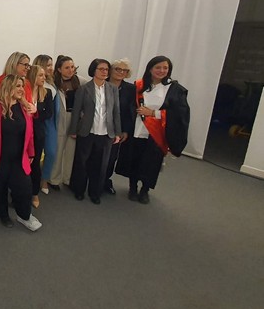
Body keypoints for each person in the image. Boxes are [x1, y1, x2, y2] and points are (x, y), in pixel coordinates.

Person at [116, 56, 190, 204]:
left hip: (156, 133)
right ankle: (132, 187)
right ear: (150, 69)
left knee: (151, 163)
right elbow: (129, 106)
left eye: (165, 68)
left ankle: (145, 190)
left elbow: (180, 113)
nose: (161, 71)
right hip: (137, 130)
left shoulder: (175, 89)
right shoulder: (139, 85)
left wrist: (153, 113)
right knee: (134, 159)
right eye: (158, 67)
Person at [0, 75, 41, 231]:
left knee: (24, 187)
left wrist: (31, 152)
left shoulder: (25, 108)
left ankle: (24, 215)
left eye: (22, 86)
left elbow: (30, 133)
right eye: (17, 86)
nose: (21, 89)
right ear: (8, 87)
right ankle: (3, 215)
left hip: (18, 158)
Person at [68, 59, 122, 204]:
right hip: (87, 131)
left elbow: (116, 111)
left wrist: (118, 132)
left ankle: (95, 192)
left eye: (107, 69)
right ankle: (79, 190)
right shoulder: (84, 89)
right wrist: (73, 130)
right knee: (82, 163)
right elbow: (76, 111)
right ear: (94, 71)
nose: (105, 72)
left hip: (106, 133)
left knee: (101, 165)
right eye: (101, 69)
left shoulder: (112, 89)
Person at [49, 55, 83, 189]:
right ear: (59, 69)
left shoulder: (80, 81)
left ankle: (67, 179)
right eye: (67, 67)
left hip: (75, 118)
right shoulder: (54, 83)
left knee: (71, 150)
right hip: (60, 118)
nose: (70, 70)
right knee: (58, 150)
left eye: (72, 67)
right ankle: (54, 179)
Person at [104, 59, 136, 195]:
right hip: (98, 126)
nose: (121, 72)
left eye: (125, 70)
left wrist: (125, 130)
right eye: (118, 69)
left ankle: (105, 180)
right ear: (111, 70)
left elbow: (130, 112)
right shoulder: (100, 83)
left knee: (111, 157)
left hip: (117, 129)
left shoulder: (131, 89)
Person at [28, 64, 54, 208]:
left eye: (44, 75)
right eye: (40, 75)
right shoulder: (23, 91)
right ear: (33, 76)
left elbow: (48, 113)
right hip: (23, 132)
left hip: (38, 133)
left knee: (35, 163)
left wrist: (35, 113)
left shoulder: (47, 93)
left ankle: (34, 193)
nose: (44, 78)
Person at [33, 54, 57, 194]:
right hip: (37, 122)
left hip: (50, 121)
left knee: (51, 152)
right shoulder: (32, 84)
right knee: (34, 155)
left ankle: (45, 179)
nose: (50, 68)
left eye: (51, 65)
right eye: (48, 65)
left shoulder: (52, 83)